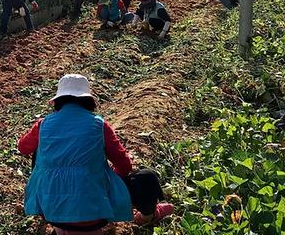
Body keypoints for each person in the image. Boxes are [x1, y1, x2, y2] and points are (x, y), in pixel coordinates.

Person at [19, 74, 174, 234]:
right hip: (95, 215)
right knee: (146, 178)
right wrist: (111, 179)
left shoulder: (43, 125)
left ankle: (50, 208)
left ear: (58, 100)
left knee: (39, 148)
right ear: (88, 100)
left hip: (51, 212)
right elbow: (124, 165)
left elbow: (22, 148)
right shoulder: (98, 125)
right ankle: (147, 217)